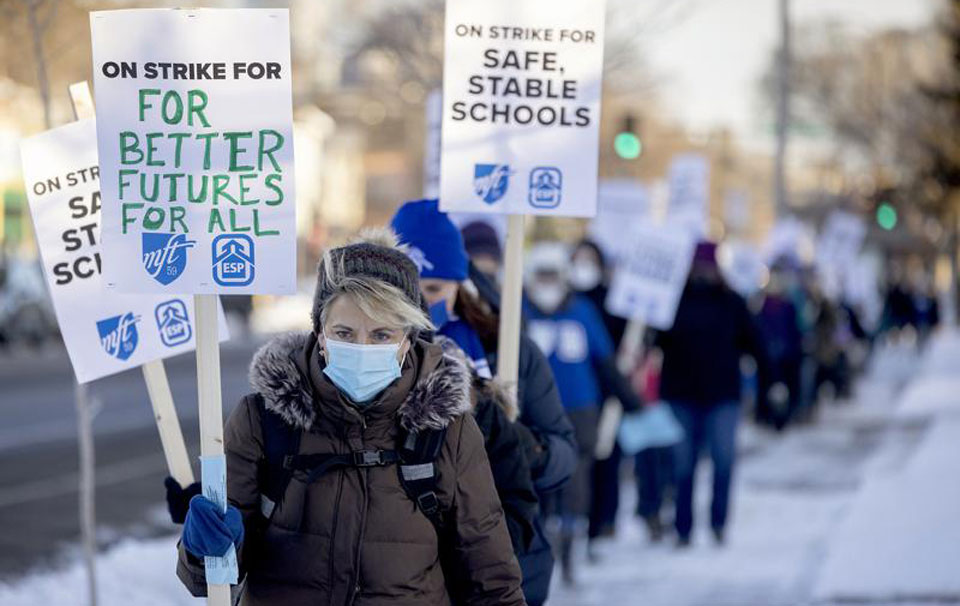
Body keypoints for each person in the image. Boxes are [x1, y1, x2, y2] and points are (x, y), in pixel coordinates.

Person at [175, 230, 525, 605]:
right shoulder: (265, 419)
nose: (362, 347)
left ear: (407, 339)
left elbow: (490, 576)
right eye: (344, 332)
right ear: (320, 334)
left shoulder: (446, 431)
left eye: (381, 334)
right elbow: (211, 581)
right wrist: (202, 551)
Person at [391, 198, 576, 605]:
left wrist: (530, 449)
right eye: (408, 290)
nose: (421, 303)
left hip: (502, 561)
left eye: (435, 289)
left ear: (461, 283)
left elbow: (564, 453)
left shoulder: (508, 349)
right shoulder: (374, 352)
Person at [522, 242, 642, 585]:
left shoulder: (583, 311)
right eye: (541, 276)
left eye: (553, 276)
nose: (547, 284)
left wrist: (628, 398)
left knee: (576, 476)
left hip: (580, 409)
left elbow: (604, 361)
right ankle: (542, 540)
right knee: (537, 476)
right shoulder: (520, 313)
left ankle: (573, 541)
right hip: (534, 411)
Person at [651, 241, 767, 547]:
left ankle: (718, 523)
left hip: (723, 396)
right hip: (680, 395)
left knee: (724, 460)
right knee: (682, 465)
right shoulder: (671, 302)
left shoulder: (733, 303)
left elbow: (755, 344)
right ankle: (683, 528)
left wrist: (771, 384)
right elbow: (655, 342)